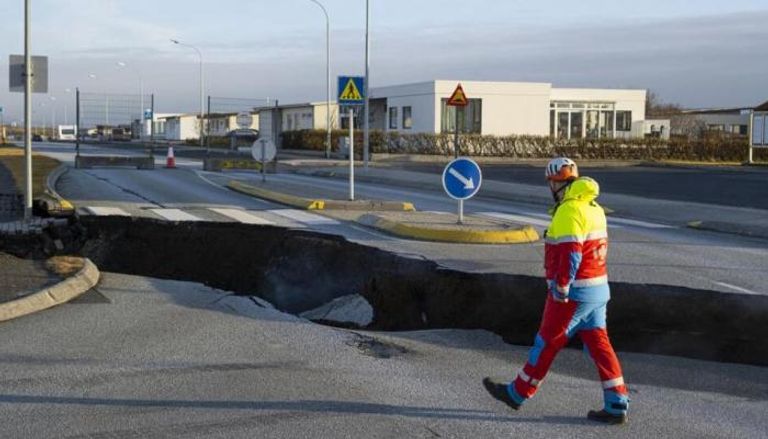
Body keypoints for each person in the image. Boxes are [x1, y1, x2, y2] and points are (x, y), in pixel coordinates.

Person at [483, 157, 629, 424]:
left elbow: (571, 253)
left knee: (546, 342)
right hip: (598, 289)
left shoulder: (569, 210)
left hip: (573, 293)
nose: (550, 187)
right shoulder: (594, 207)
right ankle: (617, 402)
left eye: (550, 182)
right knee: (600, 345)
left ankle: (517, 393)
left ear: (557, 183)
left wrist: (561, 286)